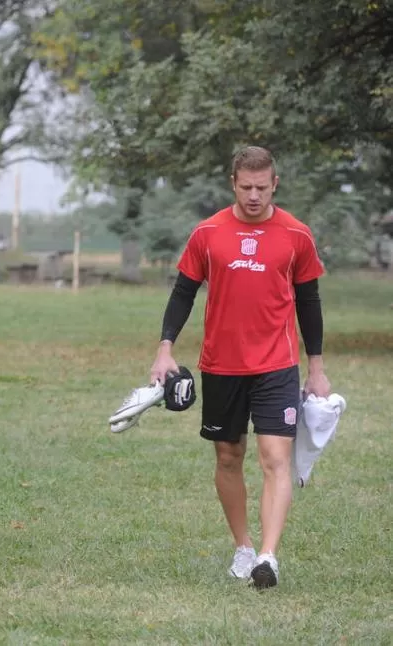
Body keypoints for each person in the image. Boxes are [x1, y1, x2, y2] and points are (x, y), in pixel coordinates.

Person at [149, 146, 330, 589]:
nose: (254, 196)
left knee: (275, 459)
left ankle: (268, 557)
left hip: (277, 365)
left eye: (262, 188)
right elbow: (183, 293)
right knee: (229, 457)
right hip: (222, 365)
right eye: (246, 187)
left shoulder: (296, 235)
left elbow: (309, 302)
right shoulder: (208, 233)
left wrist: (317, 367)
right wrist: (164, 348)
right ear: (233, 183)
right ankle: (244, 548)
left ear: (275, 185)